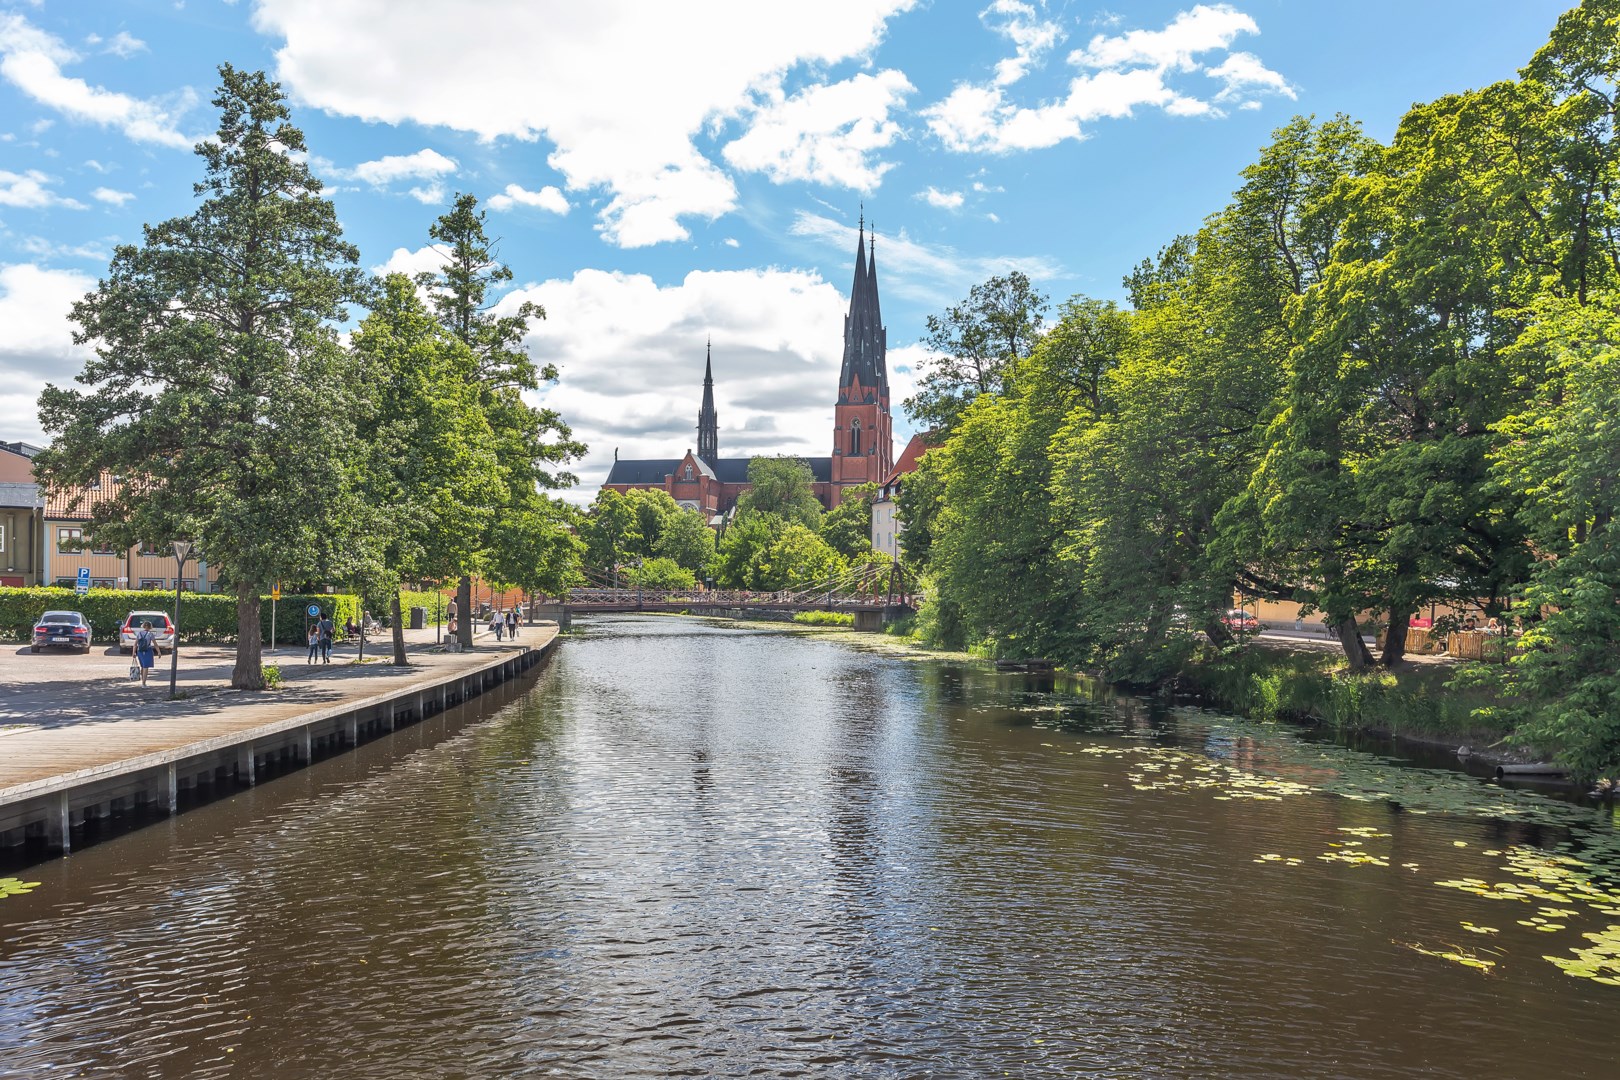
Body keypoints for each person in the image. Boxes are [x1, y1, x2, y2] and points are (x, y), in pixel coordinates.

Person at [134, 620, 157, 686]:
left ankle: (143, 680)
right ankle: (143, 683)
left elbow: (135, 644)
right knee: (146, 667)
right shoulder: (150, 634)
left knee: (143, 666)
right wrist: (158, 652)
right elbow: (155, 644)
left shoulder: (139, 633)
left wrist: (133, 652)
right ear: (150, 627)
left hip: (140, 651)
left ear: (143, 626)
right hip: (147, 651)